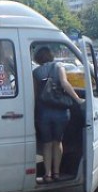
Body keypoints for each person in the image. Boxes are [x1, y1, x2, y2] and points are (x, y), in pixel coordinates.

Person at [32, 47, 84, 184]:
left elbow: (35, 95)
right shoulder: (58, 66)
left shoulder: (35, 72)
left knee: (47, 143)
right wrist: (78, 99)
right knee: (58, 142)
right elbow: (65, 84)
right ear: (50, 55)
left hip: (43, 113)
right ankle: (57, 173)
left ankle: (47, 174)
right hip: (61, 111)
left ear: (37, 58)